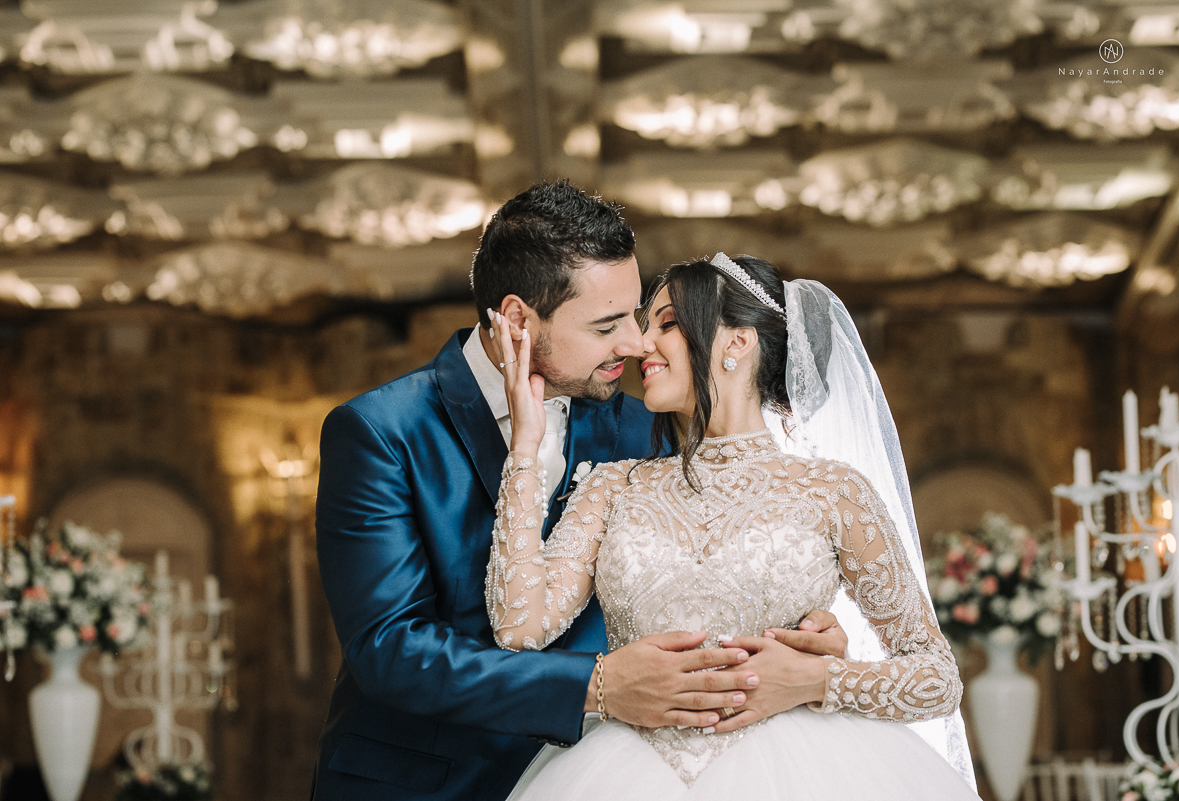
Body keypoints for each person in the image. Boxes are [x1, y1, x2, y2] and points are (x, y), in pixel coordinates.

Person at [311, 183, 848, 801]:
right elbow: (392, 649)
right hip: (424, 786)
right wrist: (596, 686)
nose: (634, 343)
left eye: (637, 315)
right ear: (516, 320)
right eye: (606, 324)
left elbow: (712, 560)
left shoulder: (640, 426)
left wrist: (800, 636)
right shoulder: (380, 432)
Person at [484, 253, 980, 799]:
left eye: (667, 324)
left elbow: (936, 678)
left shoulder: (832, 492)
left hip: (800, 774)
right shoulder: (612, 487)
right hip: (622, 770)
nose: (641, 344)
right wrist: (525, 449)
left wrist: (812, 681)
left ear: (738, 343)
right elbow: (518, 628)